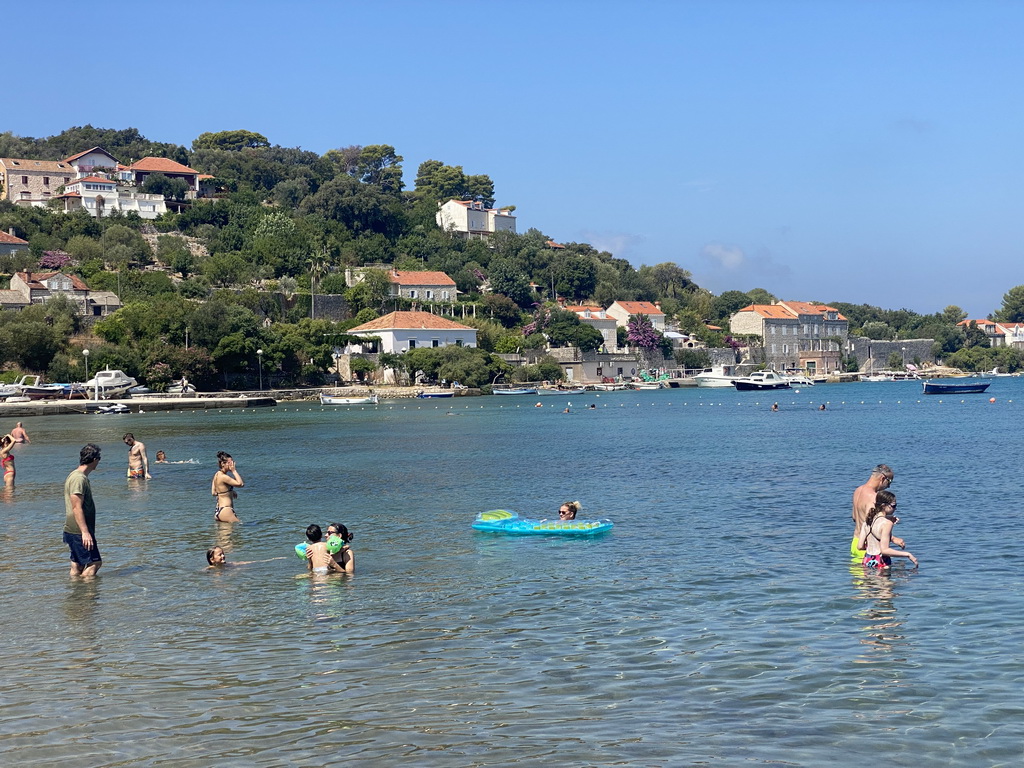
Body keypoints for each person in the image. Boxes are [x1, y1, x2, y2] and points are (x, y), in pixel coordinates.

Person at [63, 444, 103, 578]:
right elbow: (76, 507)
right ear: (94, 459)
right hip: (78, 531)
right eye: (99, 458)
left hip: (74, 530)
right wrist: (85, 532)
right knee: (95, 563)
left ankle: (76, 595)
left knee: (77, 564)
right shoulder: (78, 478)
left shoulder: (77, 476)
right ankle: (86, 596)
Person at [858, 490, 918, 569]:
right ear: (883, 506)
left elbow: (860, 546)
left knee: (869, 581)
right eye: (893, 506)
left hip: (867, 561)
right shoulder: (887, 523)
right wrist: (907, 554)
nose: (895, 508)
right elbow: (884, 550)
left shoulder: (867, 522)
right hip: (881, 562)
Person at [851, 465, 902, 557]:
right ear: (883, 478)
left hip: (855, 543)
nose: (889, 486)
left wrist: (885, 517)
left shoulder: (858, 491)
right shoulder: (874, 497)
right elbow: (872, 524)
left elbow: (855, 517)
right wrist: (893, 539)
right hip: (867, 547)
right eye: (889, 482)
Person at [211, 451, 243, 522]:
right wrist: (234, 471)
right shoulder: (224, 477)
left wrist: (230, 492)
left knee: (227, 532)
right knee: (241, 526)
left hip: (219, 510)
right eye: (229, 463)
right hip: (226, 510)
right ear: (222, 464)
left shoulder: (217, 474)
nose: (232, 465)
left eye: (232, 462)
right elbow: (240, 484)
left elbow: (213, 492)